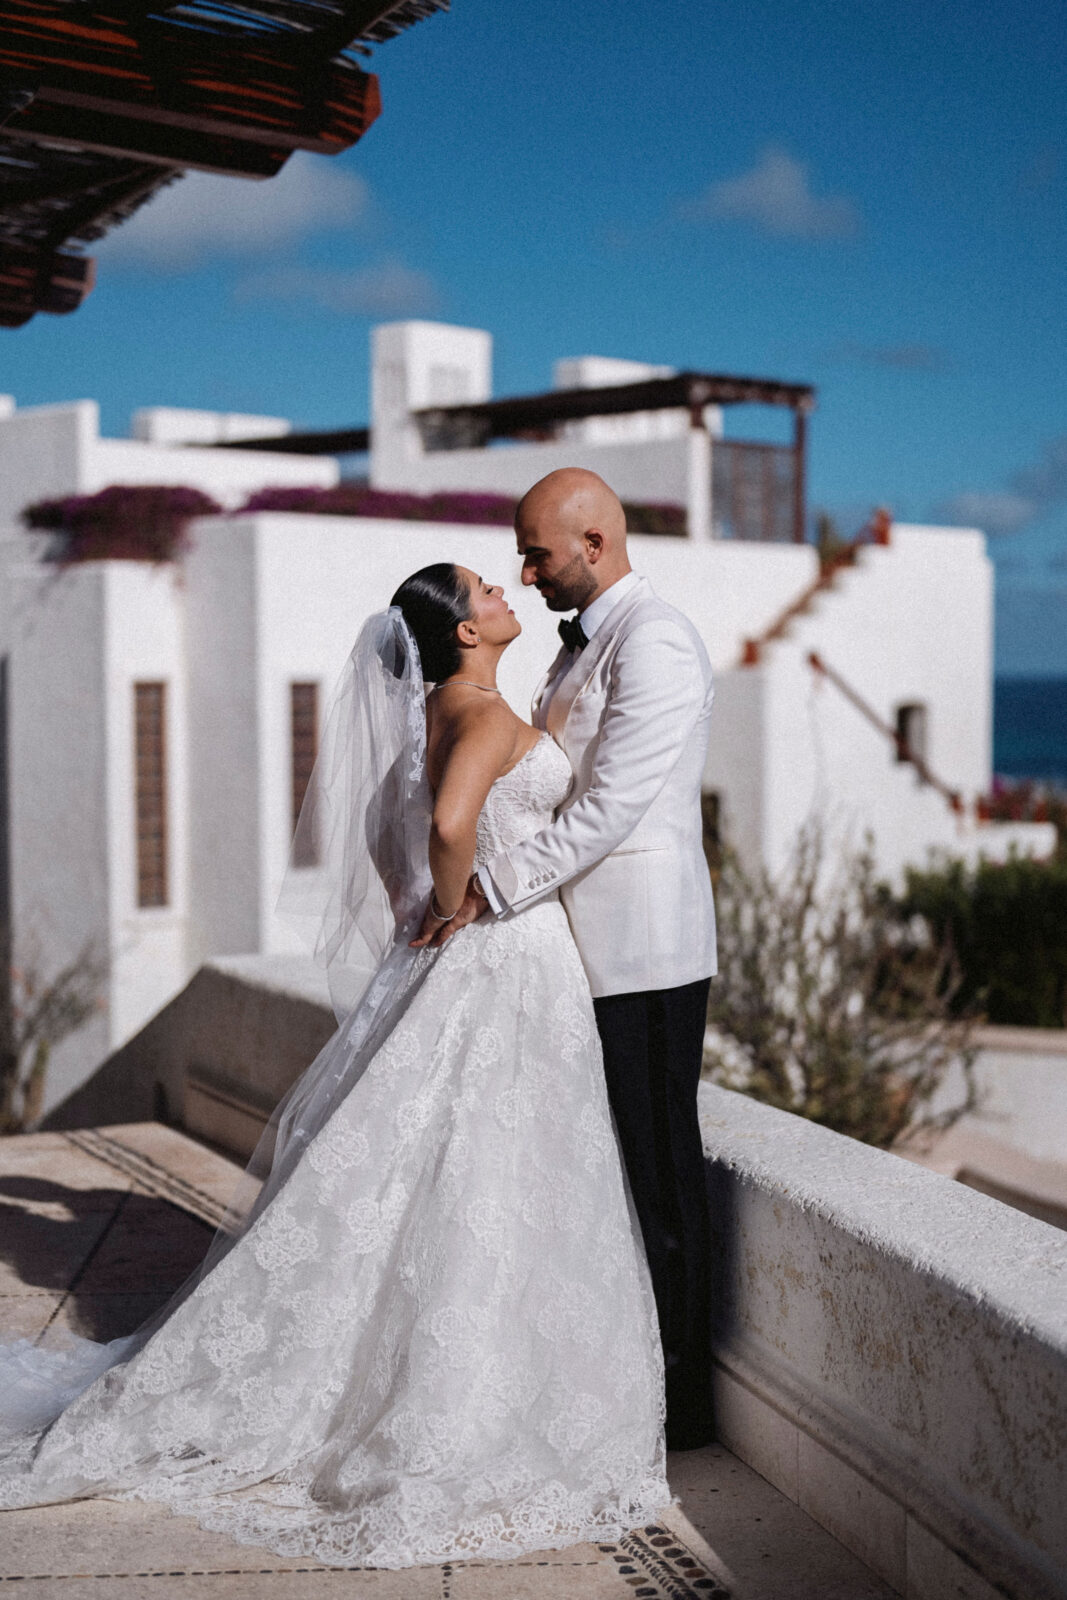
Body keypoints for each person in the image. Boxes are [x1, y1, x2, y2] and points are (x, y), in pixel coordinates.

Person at [0, 563, 670, 1568]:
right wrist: (461, 900)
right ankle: (466, 1396)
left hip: (461, 966)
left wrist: (423, 904)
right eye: (487, 592)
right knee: (496, 1168)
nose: (503, 593)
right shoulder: (482, 715)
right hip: (506, 959)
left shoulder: (430, 719)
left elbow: (388, 829)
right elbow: (449, 826)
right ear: (463, 633)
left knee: (452, 1170)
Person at [414, 470, 718, 1451]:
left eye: (536, 553)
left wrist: (487, 892)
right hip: (565, 954)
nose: (524, 569)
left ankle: (686, 1402)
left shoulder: (658, 640)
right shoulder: (570, 653)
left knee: (659, 1167)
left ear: (592, 544)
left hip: (643, 948)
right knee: (601, 1174)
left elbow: (608, 806)